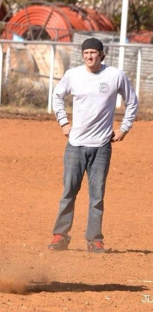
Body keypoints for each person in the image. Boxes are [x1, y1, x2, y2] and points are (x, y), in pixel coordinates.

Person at [48, 37, 138, 253]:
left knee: (97, 194)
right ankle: (60, 235)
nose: (89, 56)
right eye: (86, 53)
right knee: (69, 190)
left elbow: (132, 101)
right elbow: (57, 96)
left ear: (101, 54)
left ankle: (94, 239)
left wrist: (124, 128)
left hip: (102, 146)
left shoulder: (115, 75)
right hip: (76, 145)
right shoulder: (73, 75)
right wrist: (63, 123)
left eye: (93, 53)